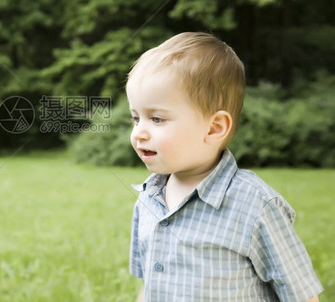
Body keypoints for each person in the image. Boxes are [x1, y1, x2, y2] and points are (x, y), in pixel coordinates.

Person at [127, 32, 323, 301]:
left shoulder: (254, 204)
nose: (139, 132)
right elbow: (150, 284)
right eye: (136, 118)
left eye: (157, 119)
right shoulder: (147, 198)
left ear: (214, 128)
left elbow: (301, 293)